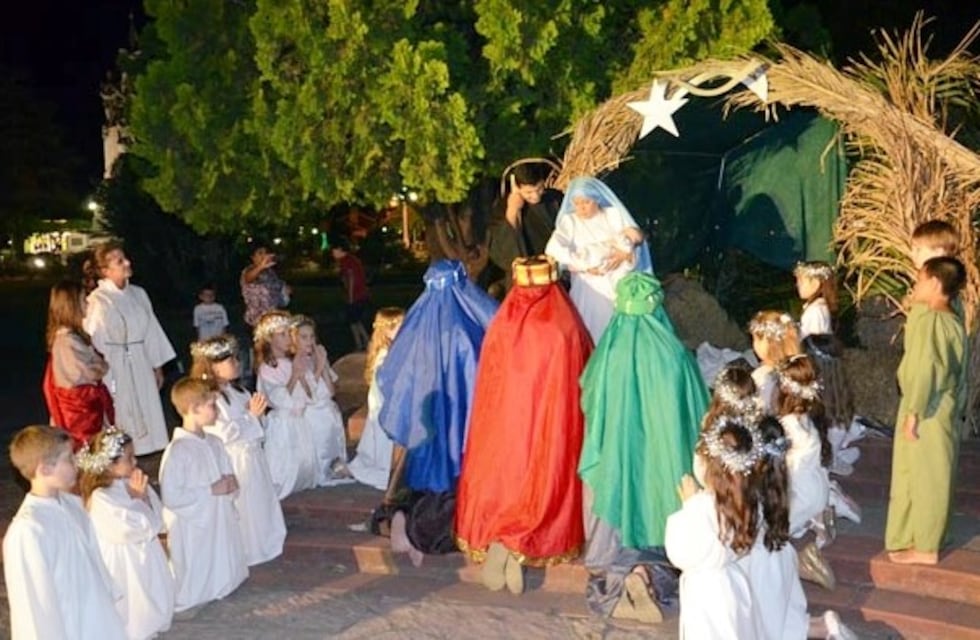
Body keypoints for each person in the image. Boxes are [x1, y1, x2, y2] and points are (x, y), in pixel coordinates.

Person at [455, 256, 593, 596]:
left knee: (505, 478)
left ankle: (501, 538)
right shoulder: (565, 325)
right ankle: (520, 543)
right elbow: (584, 374)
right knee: (541, 481)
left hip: (505, 424)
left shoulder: (502, 325)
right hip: (549, 425)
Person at [578, 272, 708, 620]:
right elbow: (698, 409)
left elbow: (589, 398)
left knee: (616, 515)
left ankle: (622, 575)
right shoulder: (674, 355)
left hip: (617, 462)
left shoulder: (607, 354)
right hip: (664, 466)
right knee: (660, 520)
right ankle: (647, 574)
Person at [372, 259, 498, 565]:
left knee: (426, 472)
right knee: (454, 474)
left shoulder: (416, 326)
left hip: (426, 419)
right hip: (461, 417)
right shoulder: (467, 326)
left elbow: (394, 371)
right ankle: (423, 534)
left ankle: (406, 522)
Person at [2, 425, 127, 639]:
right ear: (44, 469)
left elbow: (94, 559)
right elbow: (33, 606)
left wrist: (108, 599)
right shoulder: (29, 530)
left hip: (95, 617)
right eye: (69, 459)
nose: (76, 464)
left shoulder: (73, 505)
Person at [743, 416, 858, 640]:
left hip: (762, 567)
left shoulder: (752, 494)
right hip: (779, 558)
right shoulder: (777, 485)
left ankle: (827, 627)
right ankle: (827, 627)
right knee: (784, 620)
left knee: (769, 625)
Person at [886, 256, 967, 566]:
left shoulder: (933, 321)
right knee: (933, 472)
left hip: (927, 408)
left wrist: (914, 412)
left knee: (926, 477)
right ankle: (926, 536)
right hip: (943, 406)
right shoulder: (953, 318)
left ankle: (926, 548)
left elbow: (925, 370)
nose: (915, 285)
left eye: (919, 279)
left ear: (934, 283)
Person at [191, 334, 287, 566]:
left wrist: (258, 416)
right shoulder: (212, 398)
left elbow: (255, 424)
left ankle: (265, 541)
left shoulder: (240, 391)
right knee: (245, 507)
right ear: (213, 367)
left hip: (253, 455)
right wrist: (250, 417)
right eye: (229, 360)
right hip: (236, 459)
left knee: (259, 502)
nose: (237, 363)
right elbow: (221, 433)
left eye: (235, 358)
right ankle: (248, 549)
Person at [664, 414, 762, 639]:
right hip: (734, 586)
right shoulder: (745, 502)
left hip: (707, 596)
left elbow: (680, 554)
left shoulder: (702, 506)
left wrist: (689, 505)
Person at [160, 377, 249, 613]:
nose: (217, 410)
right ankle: (197, 591)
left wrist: (231, 483)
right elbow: (171, 496)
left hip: (219, 516)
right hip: (196, 524)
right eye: (211, 405)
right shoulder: (178, 451)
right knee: (198, 561)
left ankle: (224, 581)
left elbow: (227, 472)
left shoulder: (215, 442)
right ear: (193, 409)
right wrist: (210, 490)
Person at [78, 426, 175, 639]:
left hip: (145, 555)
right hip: (124, 562)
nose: (135, 461)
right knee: (132, 604)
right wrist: (139, 500)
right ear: (110, 464)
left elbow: (157, 518)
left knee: (149, 593)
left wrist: (144, 498)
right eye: (129, 458)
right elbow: (127, 530)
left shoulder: (131, 482)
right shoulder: (101, 497)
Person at [83, 241, 176, 455]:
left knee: (146, 404)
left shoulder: (139, 294)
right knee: (122, 408)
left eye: (125, 258)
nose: (127, 263)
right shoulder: (98, 299)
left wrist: (157, 366)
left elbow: (151, 330)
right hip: (115, 364)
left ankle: (145, 448)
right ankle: (122, 454)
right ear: (105, 270)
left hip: (140, 359)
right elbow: (93, 335)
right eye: (120, 261)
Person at [545, 176, 652, 343]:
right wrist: (583, 265)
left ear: (596, 199)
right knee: (591, 331)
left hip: (617, 284)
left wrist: (625, 254)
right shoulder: (570, 221)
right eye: (577, 203)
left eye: (586, 202)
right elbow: (554, 249)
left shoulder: (613, 215)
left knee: (621, 333)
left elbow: (634, 242)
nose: (581, 208)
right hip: (588, 287)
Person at [776, 355, 836, 590]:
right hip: (817, 488)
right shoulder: (810, 418)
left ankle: (803, 561)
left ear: (785, 387)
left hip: (801, 493)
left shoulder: (787, 424)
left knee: (768, 537)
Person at [253, 310, 319, 497]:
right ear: (269, 338)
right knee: (284, 472)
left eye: (289, 333)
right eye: (282, 335)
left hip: (299, 422)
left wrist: (303, 374)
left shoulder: (292, 362)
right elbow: (278, 399)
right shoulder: (268, 368)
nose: (288, 338)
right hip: (283, 424)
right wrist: (295, 375)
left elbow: (310, 394)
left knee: (304, 469)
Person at [42, 279, 114, 450]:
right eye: (83, 299)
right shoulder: (67, 342)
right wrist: (101, 365)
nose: (87, 302)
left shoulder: (73, 339)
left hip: (86, 410)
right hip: (80, 415)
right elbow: (90, 372)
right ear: (71, 306)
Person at [290, 314, 353, 485]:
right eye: (304, 337)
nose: (309, 341)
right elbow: (309, 395)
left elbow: (331, 391)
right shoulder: (296, 363)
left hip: (327, 411)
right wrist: (319, 368)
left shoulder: (316, 358)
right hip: (312, 414)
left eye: (312, 337)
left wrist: (323, 365)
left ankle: (335, 468)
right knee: (320, 449)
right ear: (294, 339)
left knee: (332, 445)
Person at [348, 307, 406, 490]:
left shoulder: (396, 351)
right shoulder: (384, 355)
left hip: (391, 405)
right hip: (385, 408)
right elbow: (385, 385)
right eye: (397, 326)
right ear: (385, 331)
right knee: (385, 454)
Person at [486, 163, 561, 292]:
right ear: (518, 187)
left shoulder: (554, 199)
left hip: (554, 269)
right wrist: (512, 211)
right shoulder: (503, 207)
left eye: (539, 189)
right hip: (524, 277)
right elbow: (501, 249)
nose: (535, 196)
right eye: (528, 192)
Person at [748, 310, 802, 413]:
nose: (754, 344)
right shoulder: (800, 369)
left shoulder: (762, 376)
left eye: (756, 339)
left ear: (768, 343)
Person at [331, 238, 372, 351]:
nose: (332, 254)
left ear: (340, 249)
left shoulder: (346, 261)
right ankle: (362, 343)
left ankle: (363, 343)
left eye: (334, 251)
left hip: (356, 296)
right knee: (355, 321)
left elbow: (350, 279)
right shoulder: (351, 260)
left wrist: (350, 297)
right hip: (360, 295)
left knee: (354, 321)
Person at [241, 244, 290, 328]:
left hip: (272, 318)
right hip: (256, 320)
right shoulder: (249, 270)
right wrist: (261, 266)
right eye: (260, 253)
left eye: (265, 253)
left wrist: (286, 291)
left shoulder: (270, 273)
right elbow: (248, 278)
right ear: (252, 257)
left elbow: (278, 291)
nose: (264, 256)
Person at [794, 261, 837, 339]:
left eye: (801, 281)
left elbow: (814, 341)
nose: (797, 285)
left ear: (815, 284)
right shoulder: (818, 308)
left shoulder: (815, 311)